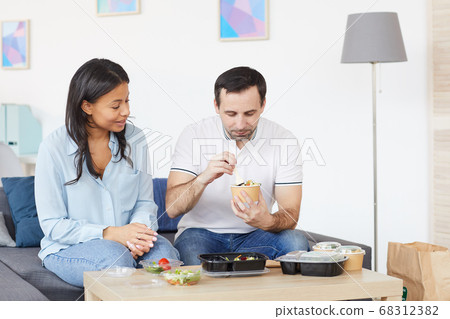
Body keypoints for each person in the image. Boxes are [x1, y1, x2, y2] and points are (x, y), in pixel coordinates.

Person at [35, 58, 179, 287]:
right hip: (69, 247)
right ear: (87, 106)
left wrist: (137, 237)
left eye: (127, 101)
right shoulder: (53, 148)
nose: (126, 111)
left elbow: (145, 202)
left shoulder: (135, 139)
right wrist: (112, 234)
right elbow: (53, 225)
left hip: (127, 242)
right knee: (115, 260)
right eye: (116, 105)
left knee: (165, 257)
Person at [166, 66, 309, 265]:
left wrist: (267, 221)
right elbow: (172, 208)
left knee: (296, 241)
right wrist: (203, 178)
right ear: (216, 106)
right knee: (192, 256)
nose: (241, 124)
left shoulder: (284, 140)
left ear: (263, 105)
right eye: (231, 114)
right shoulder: (194, 134)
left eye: (250, 113)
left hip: (257, 235)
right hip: (200, 233)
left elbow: (290, 214)